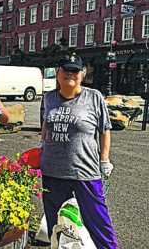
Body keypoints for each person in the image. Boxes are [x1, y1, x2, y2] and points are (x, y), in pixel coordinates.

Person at [41, 54, 118, 248]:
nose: (70, 74)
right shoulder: (48, 98)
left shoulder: (94, 97)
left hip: (84, 172)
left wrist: (104, 159)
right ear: (58, 73)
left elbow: (105, 129)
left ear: (82, 74)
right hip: (52, 172)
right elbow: (45, 125)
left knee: (98, 222)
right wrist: (42, 146)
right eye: (65, 69)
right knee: (57, 224)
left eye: (74, 70)